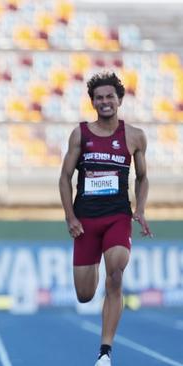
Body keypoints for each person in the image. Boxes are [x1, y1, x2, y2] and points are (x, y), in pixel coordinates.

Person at [58, 72, 152, 366]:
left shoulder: (134, 136)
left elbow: (143, 177)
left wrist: (140, 209)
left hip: (117, 217)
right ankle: (95, 267)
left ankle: (105, 352)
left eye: (110, 96)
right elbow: (64, 178)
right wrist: (70, 217)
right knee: (85, 295)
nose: (105, 102)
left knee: (116, 274)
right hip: (86, 221)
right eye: (99, 98)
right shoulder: (80, 134)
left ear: (119, 100)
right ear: (93, 102)